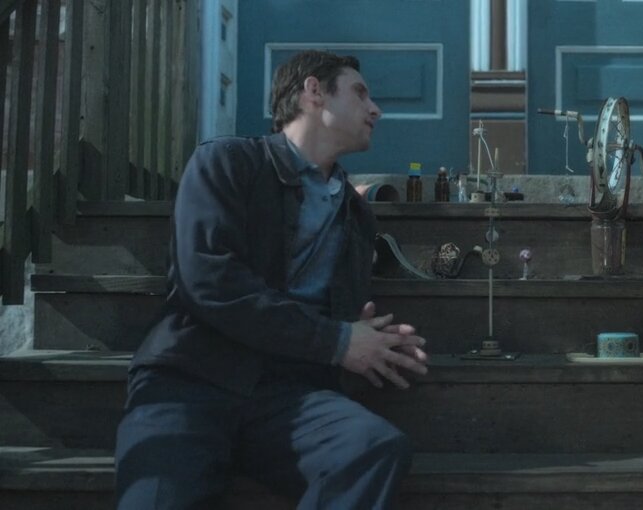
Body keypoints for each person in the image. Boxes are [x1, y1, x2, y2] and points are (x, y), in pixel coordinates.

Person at [115, 50, 429, 509]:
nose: (375, 109)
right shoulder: (226, 161)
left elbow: (339, 319)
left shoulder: (356, 213)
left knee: (371, 447)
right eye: (360, 93)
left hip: (286, 398)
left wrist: (369, 340)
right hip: (190, 379)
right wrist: (339, 340)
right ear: (314, 92)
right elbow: (209, 281)